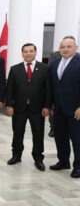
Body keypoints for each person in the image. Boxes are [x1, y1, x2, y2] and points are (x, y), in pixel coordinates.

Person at [5, 43, 51, 171]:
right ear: (22, 53)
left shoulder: (44, 68)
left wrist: (47, 106)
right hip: (19, 108)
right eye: (25, 51)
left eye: (31, 51)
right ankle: (16, 155)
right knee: (18, 133)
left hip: (37, 109)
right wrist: (9, 105)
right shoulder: (15, 69)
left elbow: (48, 89)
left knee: (38, 134)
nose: (28, 53)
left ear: (36, 52)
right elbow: (9, 90)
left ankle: (38, 158)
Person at [49, 36, 80, 178]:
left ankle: (78, 166)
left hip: (76, 110)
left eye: (69, 46)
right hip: (59, 109)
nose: (65, 49)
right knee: (60, 137)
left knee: (77, 139)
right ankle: (63, 161)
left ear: (76, 48)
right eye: (62, 47)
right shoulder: (54, 64)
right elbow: (52, 87)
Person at [47, 50, 61, 138]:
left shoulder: (77, 58)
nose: (65, 49)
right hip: (55, 88)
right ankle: (53, 128)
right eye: (63, 46)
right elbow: (50, 70)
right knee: (53, 110)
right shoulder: (54, 55)